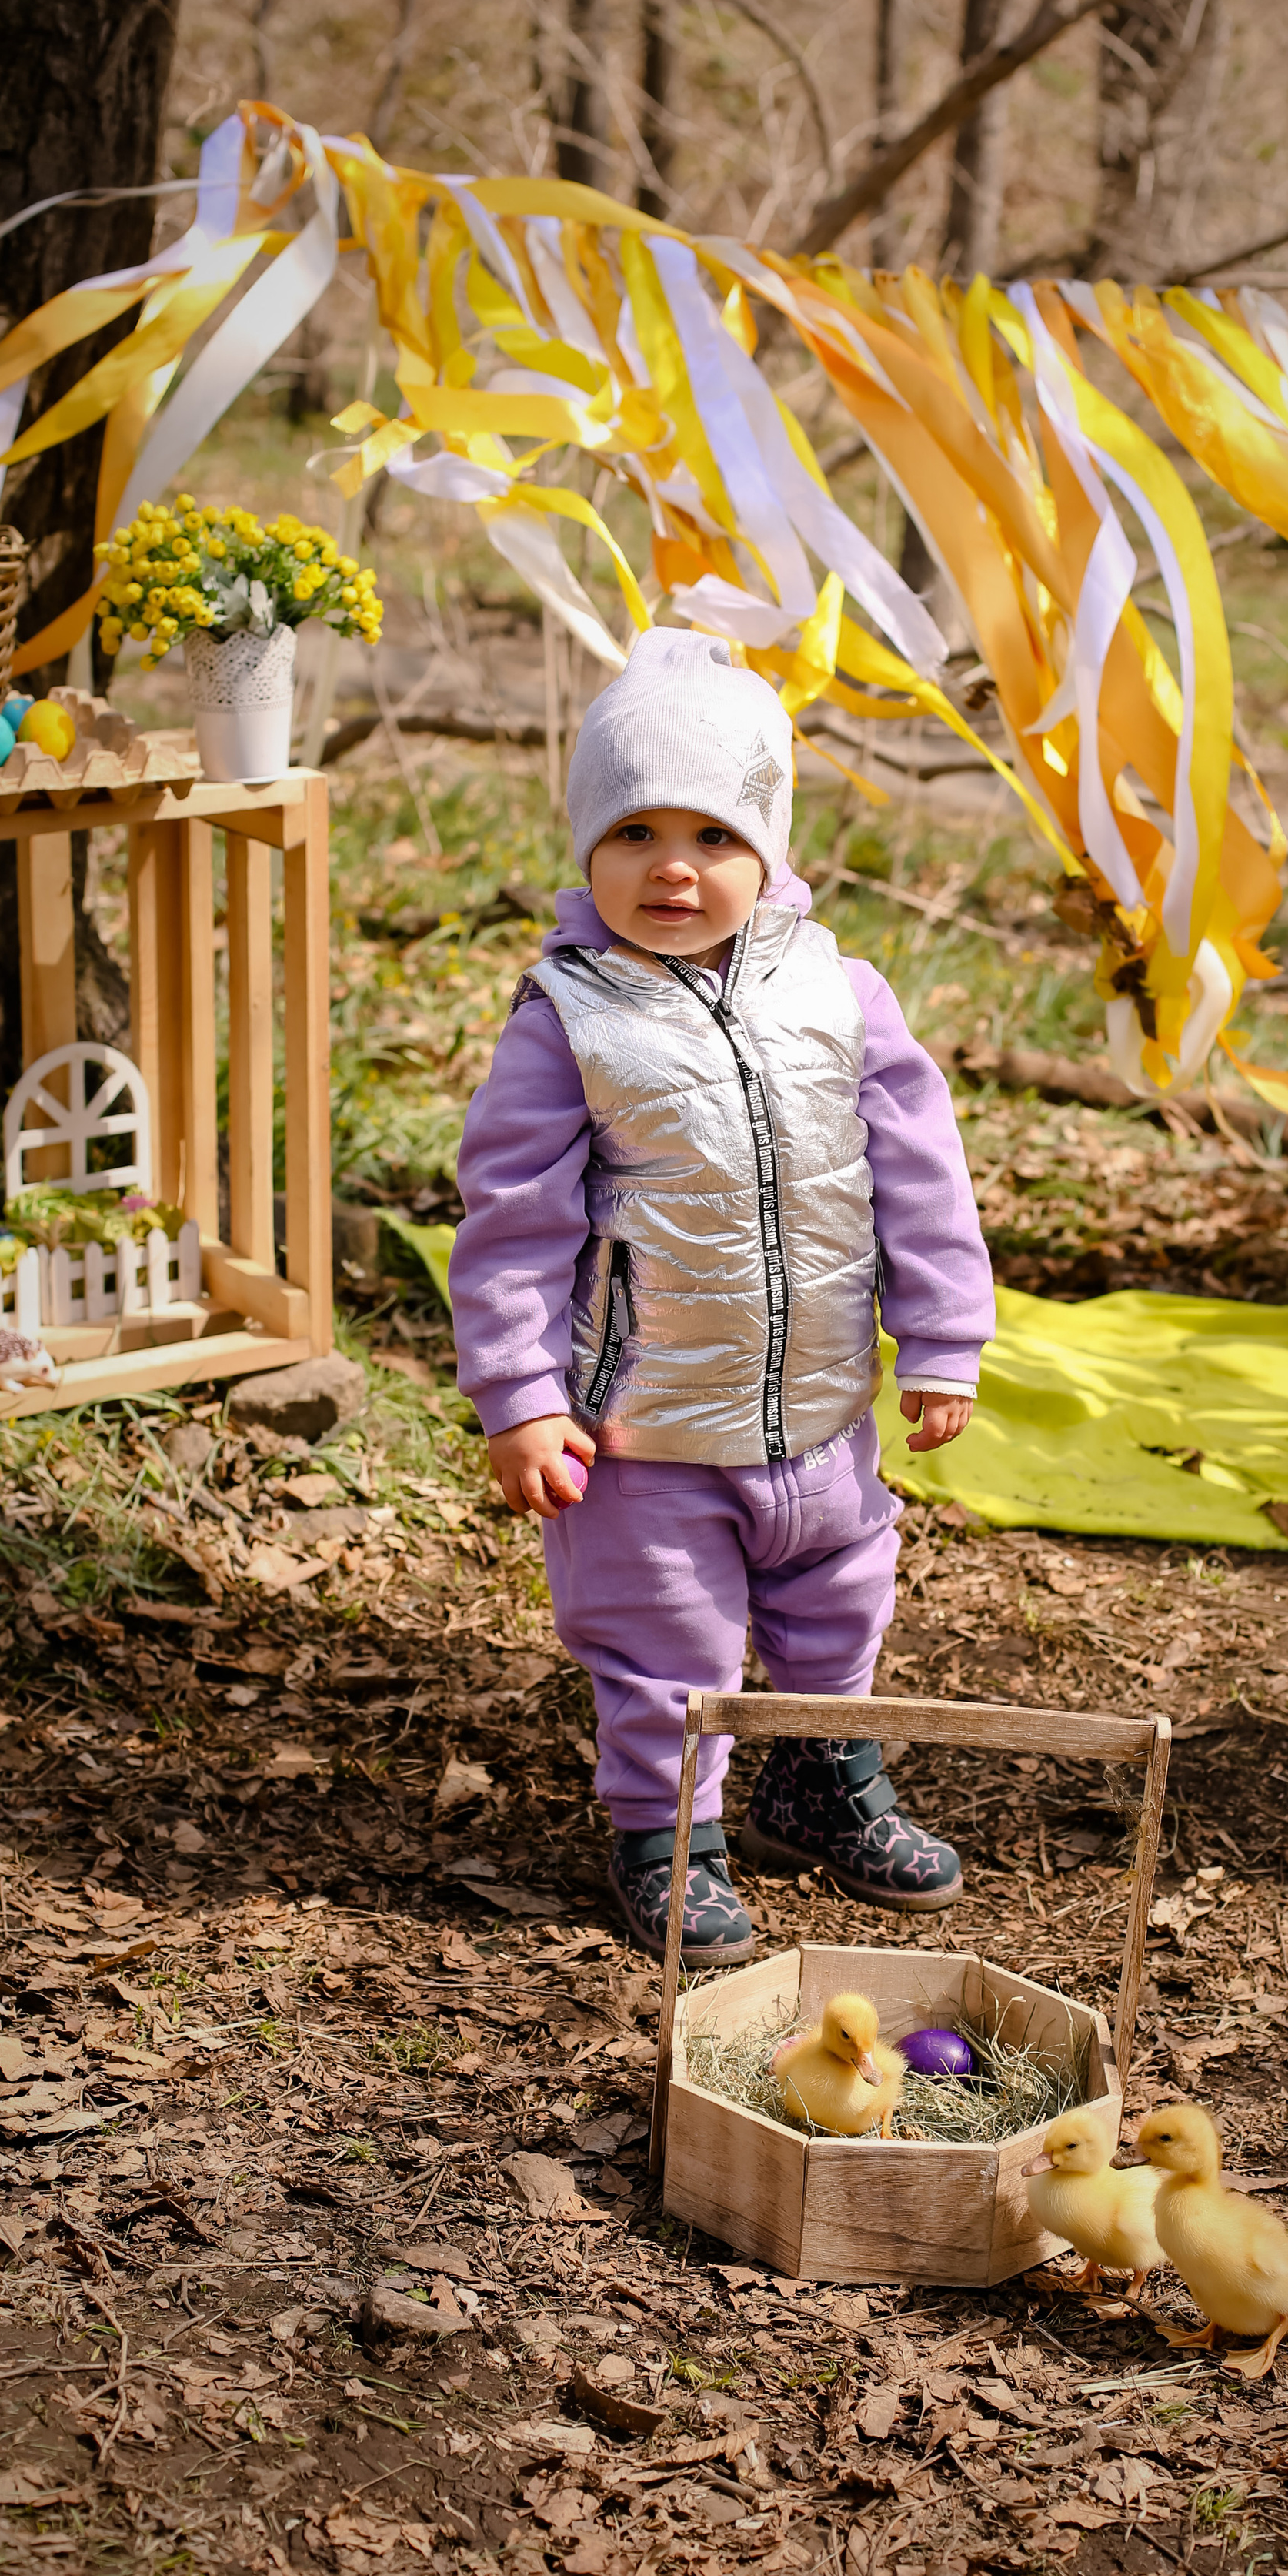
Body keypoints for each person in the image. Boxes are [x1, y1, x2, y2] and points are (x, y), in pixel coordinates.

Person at [449, 628, 995, 1962]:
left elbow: (921, 1179)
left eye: (713, 834)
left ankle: (820, 1781)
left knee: (839, 1604)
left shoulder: (841, 995)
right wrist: (521, 1397)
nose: (674, 867)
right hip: (641, 1430)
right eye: (635, 831)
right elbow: (515, 1221)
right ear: (588, 847)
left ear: (771, 851)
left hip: (818, 1414)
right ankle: (665, 1836)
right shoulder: (568, 1017)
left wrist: (940, 1338)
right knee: (663, 1644)